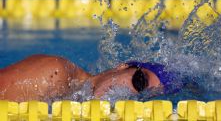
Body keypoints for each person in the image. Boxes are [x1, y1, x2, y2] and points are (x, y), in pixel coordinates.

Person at [0, 54, 183, 102]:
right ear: (123, 67)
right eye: (139, 82)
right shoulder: (56, 74)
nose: (131, 93)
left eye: (141, 97)